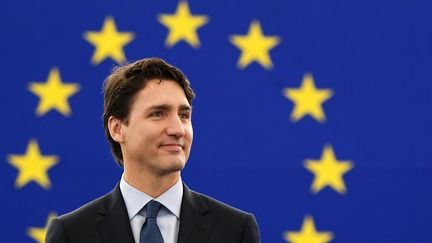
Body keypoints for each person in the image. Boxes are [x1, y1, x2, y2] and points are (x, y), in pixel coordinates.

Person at [46, 57, 261, 243]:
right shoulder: (72, 234)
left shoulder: (235, 230)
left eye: (184, 115)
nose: (178, 129)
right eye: (158, 114)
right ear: (117, 128)